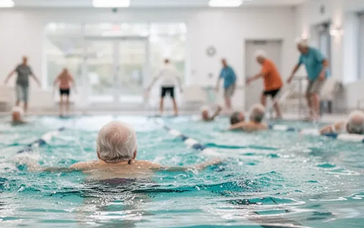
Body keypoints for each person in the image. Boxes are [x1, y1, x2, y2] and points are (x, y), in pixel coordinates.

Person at [29, 121, 221, 179]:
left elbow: (51, 170)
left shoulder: (87, 165)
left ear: (97, 152)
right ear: (134, 152)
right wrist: (206, 163)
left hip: (99, 184)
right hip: (135, 183)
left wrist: (32, 164)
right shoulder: (145, 165)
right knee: (138, 211)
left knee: (88, 209)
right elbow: (181, 169)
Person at [286, 39, 328, 120]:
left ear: (304, 46)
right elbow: (297, 66)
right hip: (311, 77)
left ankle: (316, 114)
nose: (297, 49)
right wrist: (291, 76)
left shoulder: (314, 52)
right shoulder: (302, 55)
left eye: (299, 47)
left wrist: (322, 72)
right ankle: (311, 113)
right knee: (307, 94)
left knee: (314, 92)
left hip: (320, 76)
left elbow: (325, 61)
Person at [246, 50, 283, 119]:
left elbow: (263, 74)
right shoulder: (265, 64)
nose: (257, 61)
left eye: (257, 59)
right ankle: (278, 114)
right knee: (272, 99)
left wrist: (251, 79)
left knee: (265, 97)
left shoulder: (267, 63)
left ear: (260, 58)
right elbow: (262, 73)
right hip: (272, 85)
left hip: (274, 85)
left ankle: (262, 112)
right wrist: (252, 79)